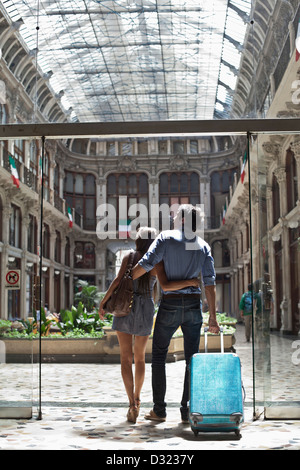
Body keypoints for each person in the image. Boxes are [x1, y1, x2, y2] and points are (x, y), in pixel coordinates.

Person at [98, 226, 199, 424]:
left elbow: (118, 281)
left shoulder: (129, 256)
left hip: (124, 307)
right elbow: (165, 285)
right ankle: (138, 397)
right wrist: (191, 282)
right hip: (145, 307)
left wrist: (104, 302)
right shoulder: (157, 260)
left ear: (137, 241)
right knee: (140, 358)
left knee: (125, 358)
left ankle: (131, 404)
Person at [131, 204, 219, 424]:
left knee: (159, 357)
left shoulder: (166, 238)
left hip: (169, 305)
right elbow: (209, 284)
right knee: (192, 360)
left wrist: (127, 279)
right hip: (192, 306)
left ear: (180, 219)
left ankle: (159, 411)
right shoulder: (203, 246)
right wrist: (213, 318)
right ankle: (186, 411)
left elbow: (147, 263)